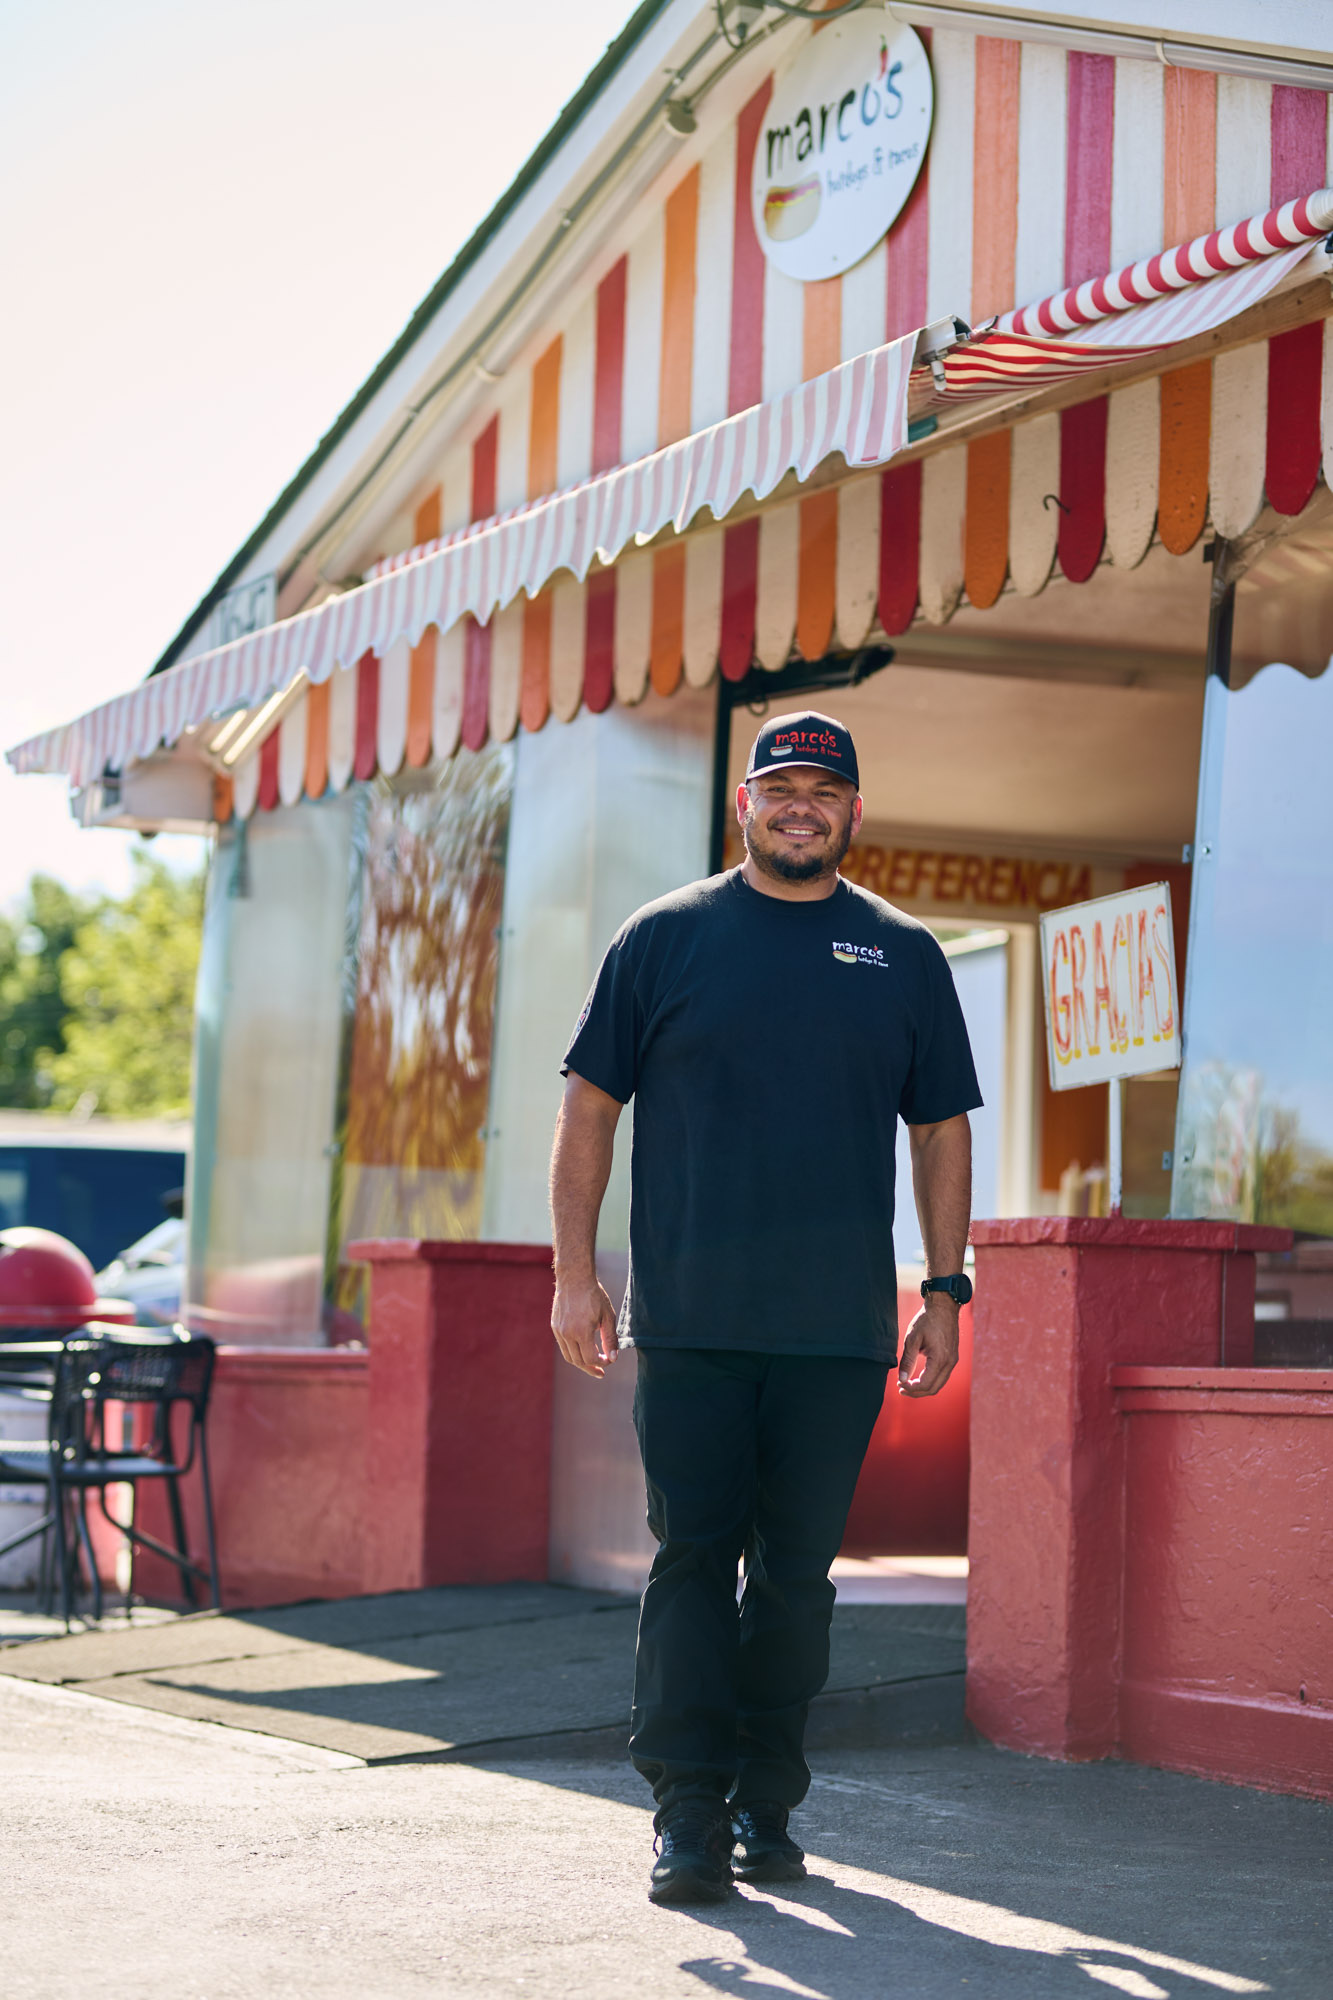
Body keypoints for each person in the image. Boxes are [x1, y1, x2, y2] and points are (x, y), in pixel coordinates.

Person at [548, 709, 980, 1906]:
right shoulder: (663, 937)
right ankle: (684, 1809)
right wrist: (573, 1273)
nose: (801, 805)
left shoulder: (902, 954)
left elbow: (938, 1127)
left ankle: (765, 1801)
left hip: (837, 1330)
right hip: (689, 1317)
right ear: (744, 803)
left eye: (822, 790)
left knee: (795, 1575)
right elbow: (589, 1108)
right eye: (779, 785)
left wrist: (944, 1287)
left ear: (854, 811)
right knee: (692, 1558)